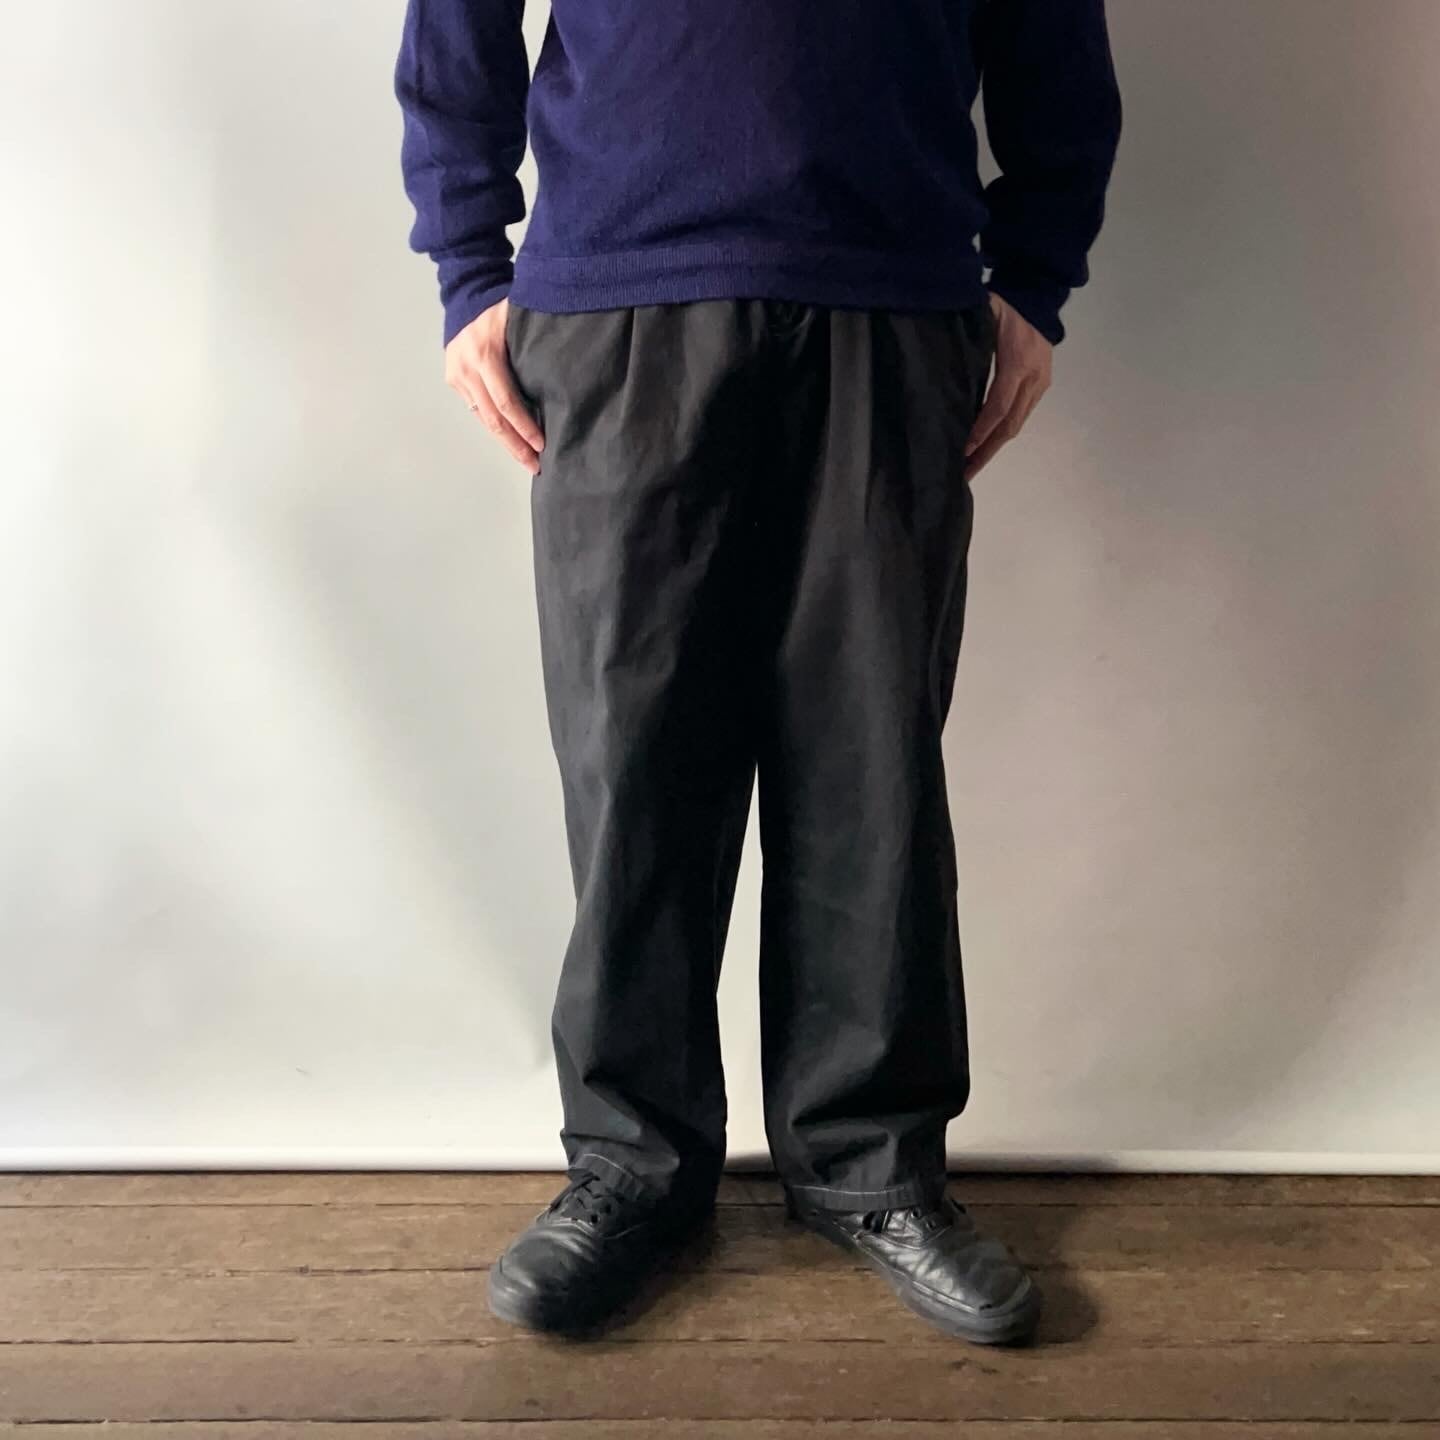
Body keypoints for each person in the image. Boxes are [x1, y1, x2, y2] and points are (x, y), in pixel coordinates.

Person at [395, 0, 1121, 1345]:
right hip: (619, 297)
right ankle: (631, 1164)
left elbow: (1051, 29)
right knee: (634, 759)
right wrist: (466, 262)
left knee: (871, 762)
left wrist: (1033, 275)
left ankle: (871, 1166)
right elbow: (457, 20)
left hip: (891, 296)